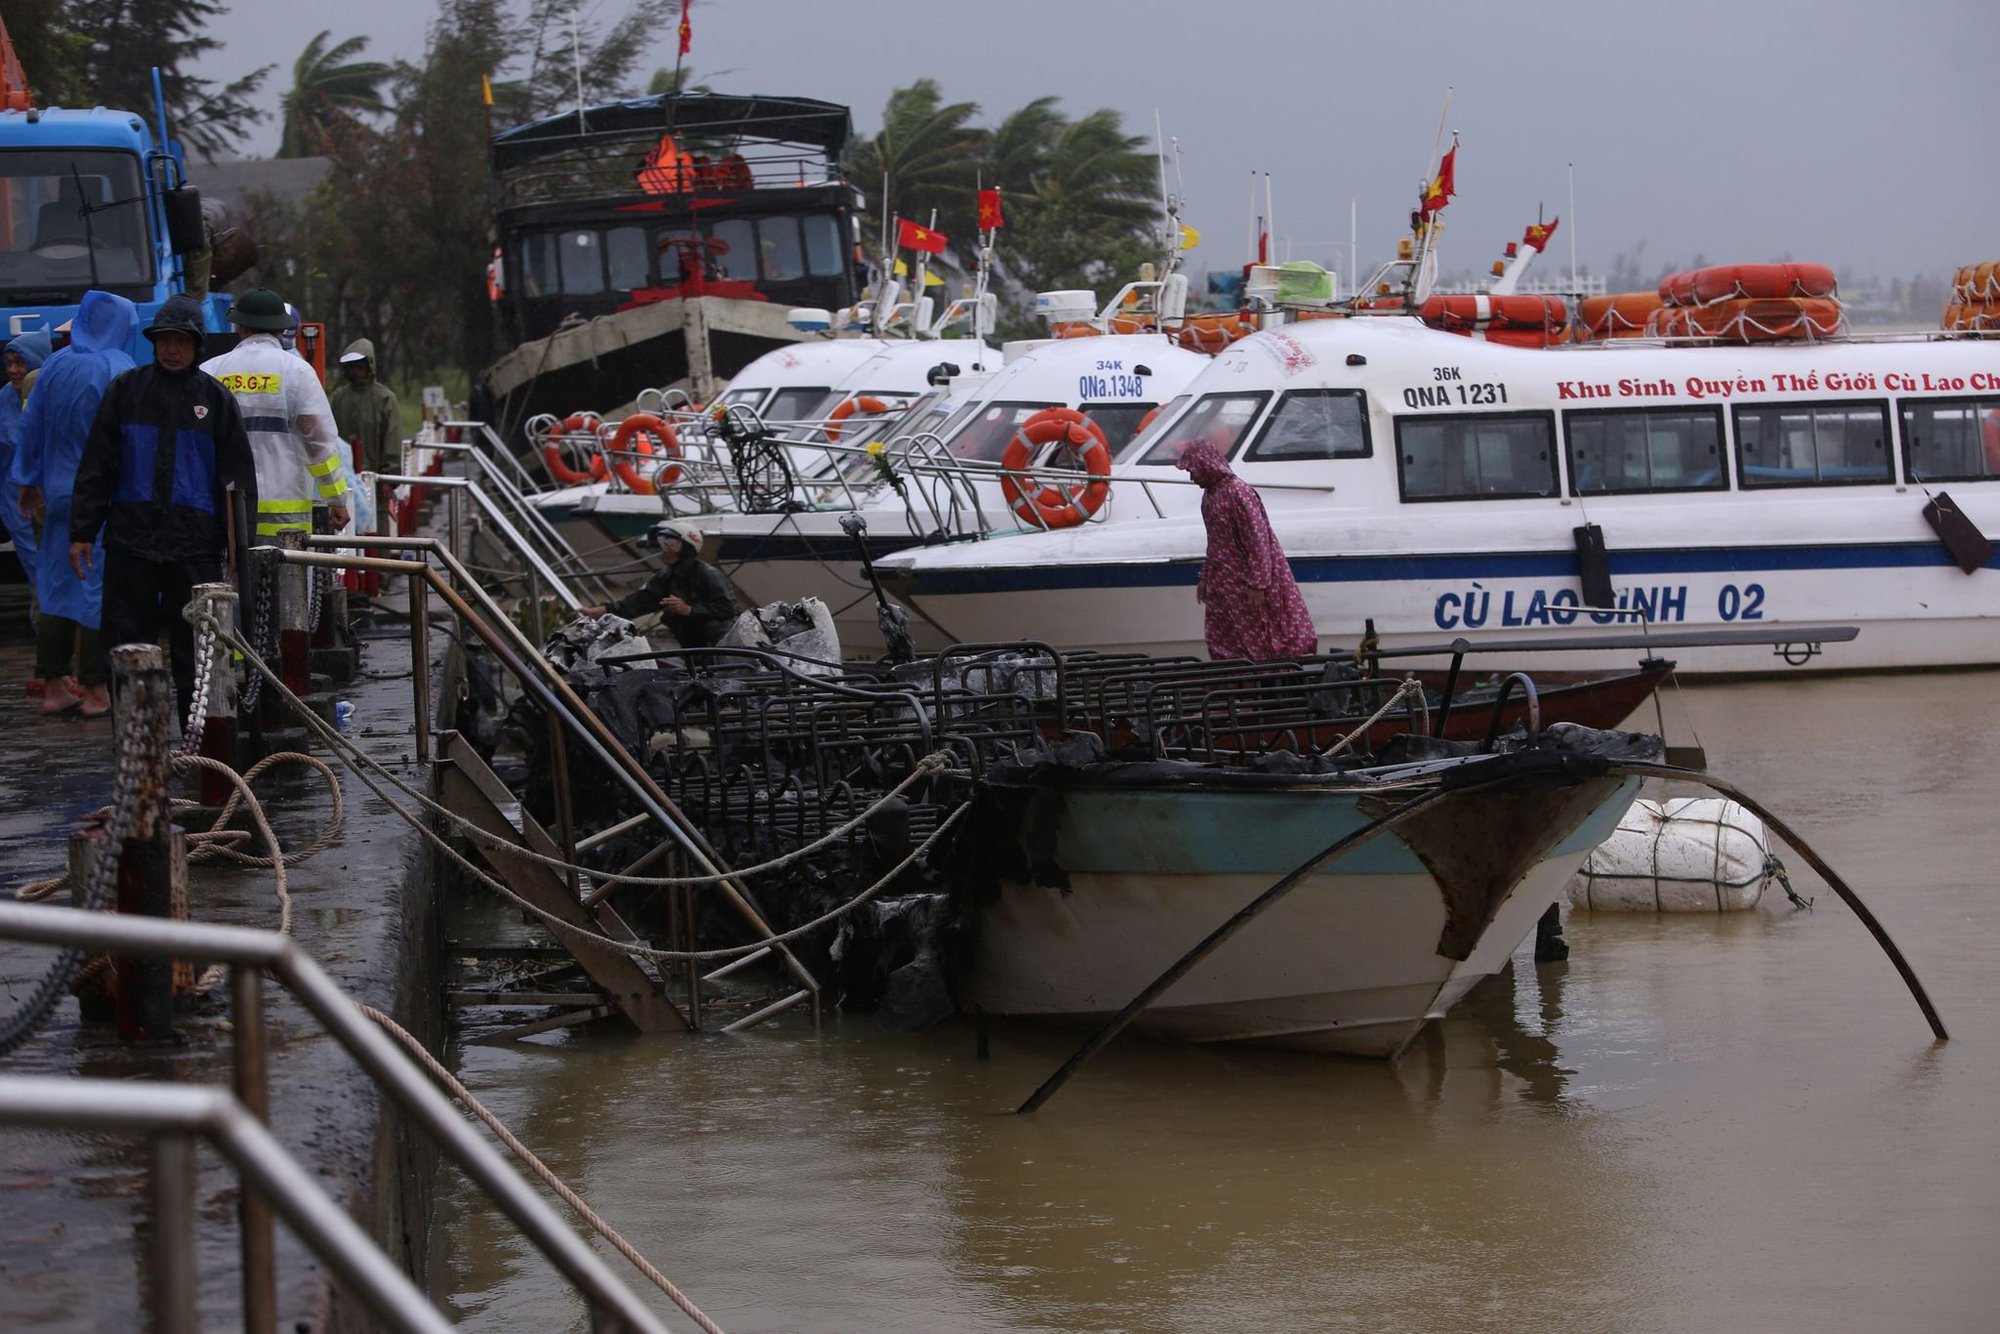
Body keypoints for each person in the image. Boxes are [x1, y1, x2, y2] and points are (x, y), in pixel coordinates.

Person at [70, 293, 259, 722]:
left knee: (197, 651)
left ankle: (200, 737)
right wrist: (82, 531)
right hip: (131, 541)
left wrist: (239, 545)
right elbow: (98, 465)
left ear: (196, 346)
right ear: (153, 342)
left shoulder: (215, 399)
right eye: (164, 340)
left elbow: (238, 480)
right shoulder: (125, 391)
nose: (172, 349)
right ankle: (135, 735)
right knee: (126, 646)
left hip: (195, 545)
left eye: (181, 341)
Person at [13, 290, 139, 715]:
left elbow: (31, 426)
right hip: (104, 495)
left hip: (56, 492)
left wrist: (28, 480)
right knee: (98, 587)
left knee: (56, 583)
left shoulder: (53, 365)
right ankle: (95, 687)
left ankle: (52, 684)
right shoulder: (119, 368)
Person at [201, 289, 351, 539]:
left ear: (239, 327)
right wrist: (336, 499)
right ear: (281, 329)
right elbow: (319, 446)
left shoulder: (210, 371)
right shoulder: (298, 372)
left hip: (225, 511)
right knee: (285, 566)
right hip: (284, 520)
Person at [1174, 439, 1318, 662]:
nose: (1192, 478)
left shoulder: (1238, 492)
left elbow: (1257, 539)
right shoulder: (1209, 496)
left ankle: (1271, 671)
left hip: (1247, 578)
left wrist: (1259, 583)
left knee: (1262, 628)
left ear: (1206, 465)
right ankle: (1237, 671)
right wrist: (1205, 577)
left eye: (1193, 471)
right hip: (1225, 581)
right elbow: (1214, 542)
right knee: (1229, 633)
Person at [577, 520, 739, 647]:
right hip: (694, 647)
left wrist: (690, 610)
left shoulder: (708, 574)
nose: (665, 549)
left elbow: (728, 609)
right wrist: (600, 611)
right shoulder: (667, 576)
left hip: (721, 645)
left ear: (687, 547)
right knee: (670, 616)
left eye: (672, 544)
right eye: (663, 543)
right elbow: (639, 602)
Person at [0, 329, 52, 666]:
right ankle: (52, 660)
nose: (13, 370)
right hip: (17, 507)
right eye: (9, 362)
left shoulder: (52, 394)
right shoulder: (4, 401)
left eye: (20, 362)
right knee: (39, 578)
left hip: (55, 501)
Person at [327, 337, 400, 478]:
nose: (355, 371)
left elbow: (392, 441)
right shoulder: (339, 399)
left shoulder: (385, 399)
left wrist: (389, 476)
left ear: (369, 366)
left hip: (376, 477)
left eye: (360, 367)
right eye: (351, 367)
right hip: (344, 476)